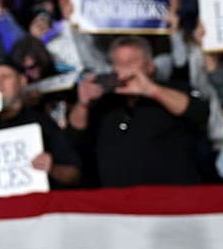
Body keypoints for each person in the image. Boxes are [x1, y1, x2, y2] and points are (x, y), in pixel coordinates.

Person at [69, 36, 209, 187]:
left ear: (150, 66)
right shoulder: (104, 102)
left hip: (170, 198)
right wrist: (82, 104)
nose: (123, 69)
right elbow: (73, 141)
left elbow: (199, 113)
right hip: (116, 201)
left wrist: (151, 90)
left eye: (130, 63)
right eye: (118, 63)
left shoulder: (174, 90)